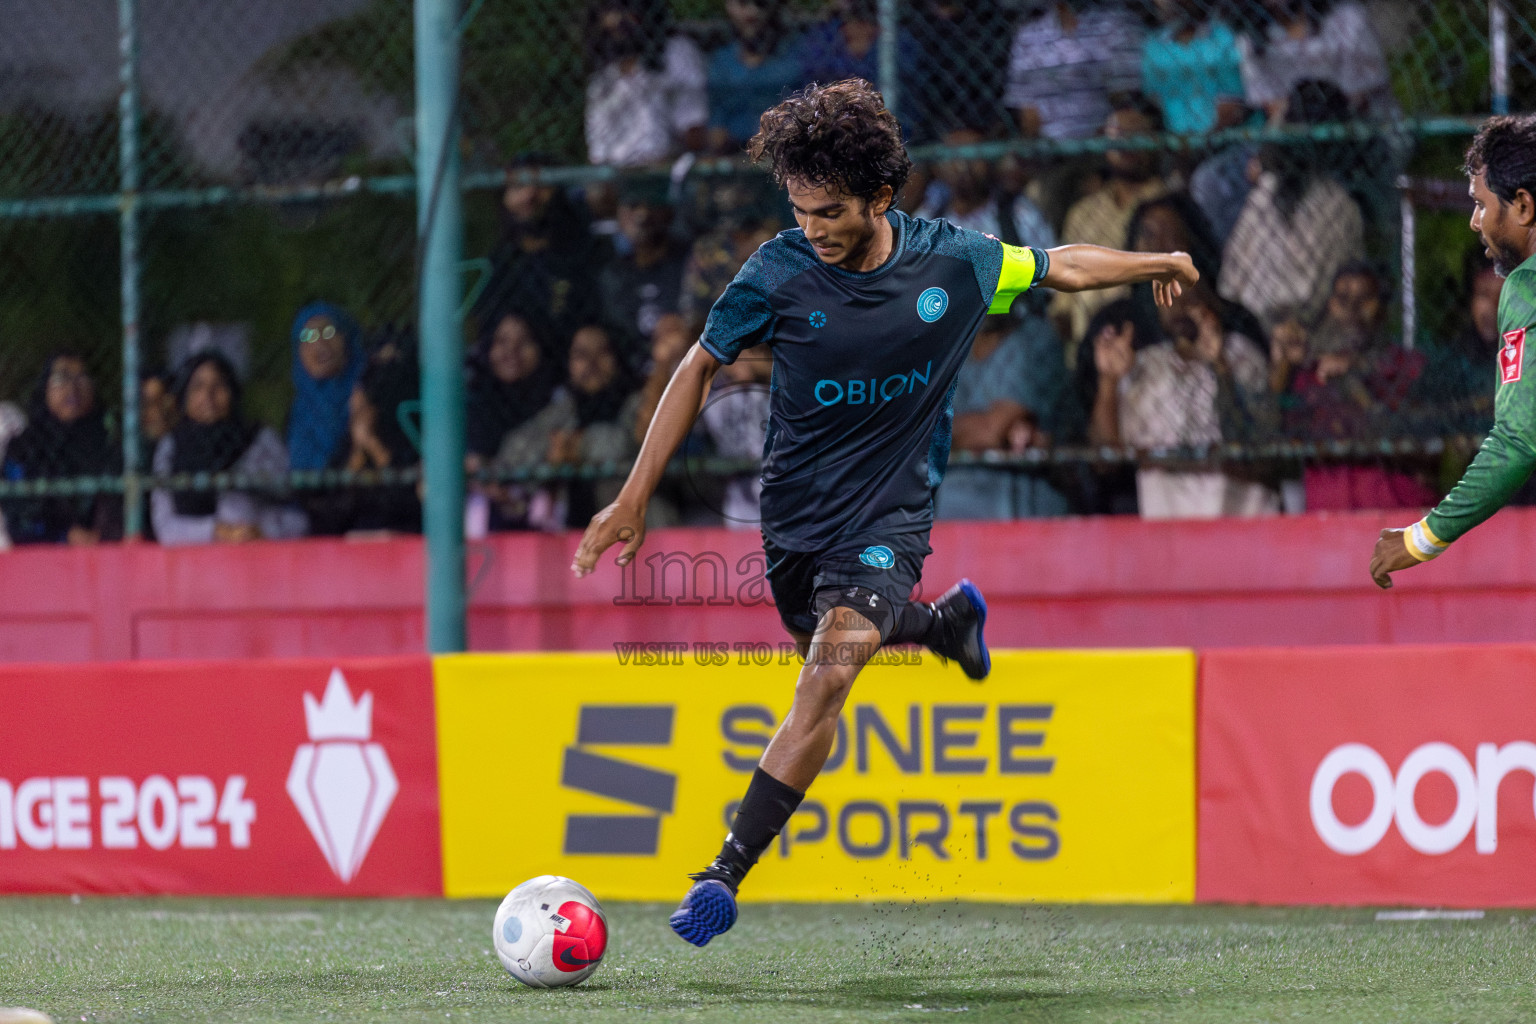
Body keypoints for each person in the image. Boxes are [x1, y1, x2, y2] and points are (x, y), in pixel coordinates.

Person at [569, 79, 1198, 946]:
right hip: (792, 522)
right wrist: (633, 497)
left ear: (879, 196)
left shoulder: (955, 261)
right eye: (799, 210)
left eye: (828, 211)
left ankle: (722, 873)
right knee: (821, 633)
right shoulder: (776, 271)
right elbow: (697, 367)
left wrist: (1157, 264)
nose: (813, 227)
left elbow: (1063, 266)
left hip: (891, 519)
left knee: (825, 674)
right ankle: (943, 627)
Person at [1371, 115, 1536, 587]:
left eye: (1481, 205)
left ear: (1522, 206)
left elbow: (1518, 441)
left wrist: (1423, 537)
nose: (1473, 221)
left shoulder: (1526, 286)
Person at [1091, 280, 1274, 518]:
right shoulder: (1147, 367)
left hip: (1243, 524)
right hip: (1169, 535)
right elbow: (1105, 459)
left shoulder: (1241, 355)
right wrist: (1108, 382)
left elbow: (1263, 459)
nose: (1176, 304)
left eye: (1186, 293)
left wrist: (1219, 365)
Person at [1219, 80, 1365, 325]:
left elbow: (1231, 282)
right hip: (1277, 321)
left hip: (1277, 324)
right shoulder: (1272, 190)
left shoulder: (1270, 191)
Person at [1053, 97, 1174, 353]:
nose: (1126, 144)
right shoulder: (1083, 212)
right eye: (1118, 135)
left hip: (1146, 347)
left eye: (1136, 135)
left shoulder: (1168, 208)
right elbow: (1063, 302)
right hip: (1086, 351)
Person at [151, 352, 307, 545]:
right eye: (197, 387)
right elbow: (165, 526)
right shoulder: (172, 446)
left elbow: (298, 517)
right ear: (185, 396)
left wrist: (262, 531)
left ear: (233, 392)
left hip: (260, 554)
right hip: (195, 562)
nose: (208, 395)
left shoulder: (258, 439)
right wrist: (216, 531)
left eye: (219, 385)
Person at [935, 313, 1070, 520]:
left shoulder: (1036, 337)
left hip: (1021, 516)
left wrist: (932, 431)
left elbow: (992, 430)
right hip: (955, 515)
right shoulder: (948, 341)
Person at [0, 352, 121, 545]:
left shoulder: (112, 443)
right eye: (61, 378)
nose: (72, 388)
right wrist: (67, 536)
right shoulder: (24, 449)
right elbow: (19, 519)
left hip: (110, 555)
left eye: (82, 378)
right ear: (44, 388)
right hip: (44, 562)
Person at [583, 0, 708, 166]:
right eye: (608, 11)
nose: (615, 20)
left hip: (665, 168)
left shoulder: (676, 52)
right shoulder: (603, 70)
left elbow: (693, 124)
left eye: (624, 9)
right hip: (613, 174)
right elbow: (597, 141)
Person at [1004, 0, 1144, 142]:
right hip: (1048, 146)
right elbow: (1028, 112)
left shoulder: (1116, 24)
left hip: (1104, 141)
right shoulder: (1027, 35)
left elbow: (1124, 101)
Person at [1237, 0, 1393, 122]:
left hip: (1360, 127)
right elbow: (1270, 106)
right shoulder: (1251, 43)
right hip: (1294, 138)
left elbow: (1364, 93)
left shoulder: (1346, 19)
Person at [914, 127, 1056, 251]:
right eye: (953, 156)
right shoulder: (927, 218)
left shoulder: (1020, 215)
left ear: (990, 162)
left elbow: (1047, 271)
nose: (963, 166)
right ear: (938, 168)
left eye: (973, 155)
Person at [597, 179, 688, 367]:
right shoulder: (613, 275)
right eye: (633, 205)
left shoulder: (688, 263)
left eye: (652, 205)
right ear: (619, 214)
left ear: (668, 211)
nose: (642, 214)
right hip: (630, 374)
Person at [706, 0, 806, 154]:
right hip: (734, 150)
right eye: (743, 3)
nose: (752, 12)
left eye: (760, 3)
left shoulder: (794, 56)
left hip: (785, 149)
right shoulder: (722, 62)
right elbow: (717, 127)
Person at [1141, 0, 1246, 136]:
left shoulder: (1222, 38)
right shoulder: (1154, 44)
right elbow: (1153, 96)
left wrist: (1199, 141)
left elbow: (1232, 101)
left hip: (1223, 138)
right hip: (1172, 138)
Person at [286, 302, 365, 474]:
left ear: (346, 338)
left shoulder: (368, 392)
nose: (320, 343)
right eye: (308, 336)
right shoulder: (299, 413)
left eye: (329, 332)